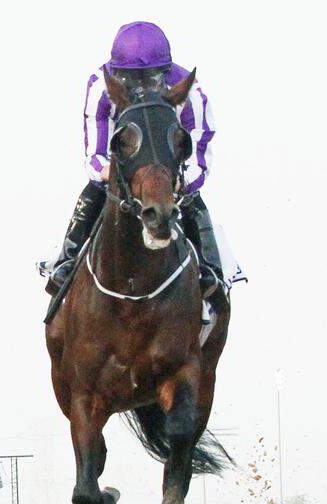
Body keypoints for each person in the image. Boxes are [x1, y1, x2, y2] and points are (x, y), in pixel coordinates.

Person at [44, 21, 223, 302]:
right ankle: (66, 262)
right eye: (131, 77)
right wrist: (104, 171)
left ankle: (211, 271)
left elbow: (200, 147)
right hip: (124, 164)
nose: (140, 85)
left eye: (149, 76)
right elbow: (95, 146)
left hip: (169, 168)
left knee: (193, 202)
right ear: (118, 73)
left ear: (164, 72)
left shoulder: (189, 91)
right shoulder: (101, 85)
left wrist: (183, 181)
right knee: (93, 192)